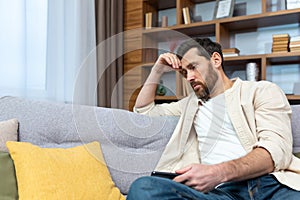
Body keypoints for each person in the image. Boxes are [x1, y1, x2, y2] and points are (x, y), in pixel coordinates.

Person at [126, 38, 300, 199]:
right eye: (185, 72)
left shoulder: (260, 91)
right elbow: (143, 111)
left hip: (270, 185)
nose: (189, 77)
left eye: (193, 67)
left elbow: (276, 151)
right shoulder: (189, 105)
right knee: (144, 188)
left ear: (216, 60)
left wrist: (217, 172)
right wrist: (157, 70)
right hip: (222, 194)